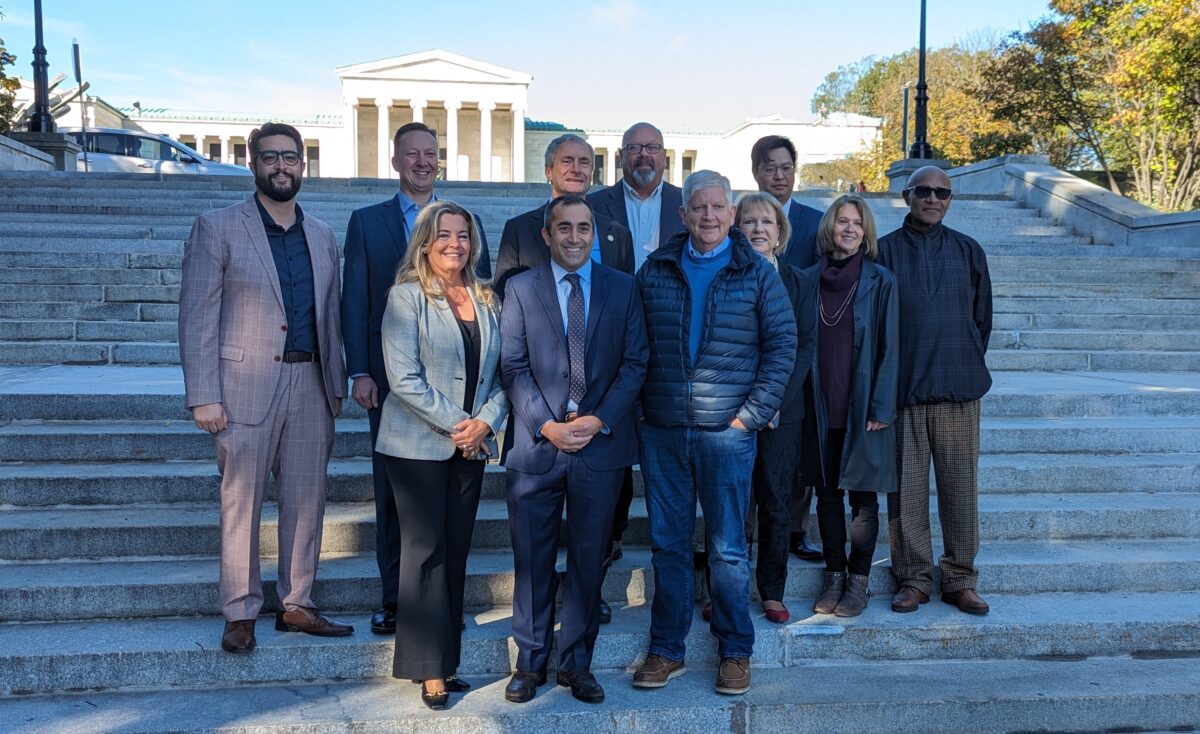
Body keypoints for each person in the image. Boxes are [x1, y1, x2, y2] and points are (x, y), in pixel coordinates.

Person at [178, 122, 351, 655]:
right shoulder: (218, 227)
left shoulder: (321, 234)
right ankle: (240, 611)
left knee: (307, 501)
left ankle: (297, 602)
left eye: (291, 158)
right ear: (254, 163)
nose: (282, 166)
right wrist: (203, 393)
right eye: (271, 157)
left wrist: (338, 382)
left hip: (311, 384)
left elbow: (332, 313)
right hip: (242, 387)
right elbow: (197, 314)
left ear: (303, 164)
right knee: (242, 503)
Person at [632, 170, 796, 696]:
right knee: (668, 545)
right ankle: (666, 649)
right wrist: (641, 409)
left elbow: (782, 347)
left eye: (717, 207)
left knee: (727, 549)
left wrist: (751, 415)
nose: (707, 216)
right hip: (663, 431)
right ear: (682, 215)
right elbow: (633, 346)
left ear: (731, 214)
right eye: (697, 207)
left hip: (727, 433)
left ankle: (735, 650)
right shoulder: (654, 269)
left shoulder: (757, 273)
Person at [341, 122, 492, 636]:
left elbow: (481, 297)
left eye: (431, 154)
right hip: (391, 382)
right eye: (413, 154)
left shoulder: (463, 224)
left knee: (448, 507)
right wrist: (359, 369)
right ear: (396, 160)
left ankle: (441, 603)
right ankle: (395, 599)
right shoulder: (368, 222)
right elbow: (354, 298)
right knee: (394, 497)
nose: (423, 162)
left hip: (459, 390)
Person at [499, 195, 648, 704]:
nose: (575, 236)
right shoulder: (519, 289)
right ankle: (530, 663)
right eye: (564, 227)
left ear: (593, 233)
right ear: (547, 234)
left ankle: (577, 663)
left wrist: (597, 419)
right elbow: (512, 367)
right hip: (536, 449)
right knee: (533, 561)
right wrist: (546, 425)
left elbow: (635, 364)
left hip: (599, 446)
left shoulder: (624, 289)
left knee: (588, 560)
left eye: (584, 227)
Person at [374, 200, 508, 709]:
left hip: (470, 445)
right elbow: (402, 378)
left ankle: (444, 662)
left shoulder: (486, 298)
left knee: (454, 555)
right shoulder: (406, 298)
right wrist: (461, 425)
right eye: (444, 235)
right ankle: (429, 669)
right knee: (425, 554)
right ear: (425, 242)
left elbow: (503, 375)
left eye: (463, 235)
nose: (455, 243)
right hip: (417, 447)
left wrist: (487, 422)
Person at [879, 166, 993, 617]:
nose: (933, 199)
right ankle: (913, 578)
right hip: (904, 394)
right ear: (907, 196)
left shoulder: (968, 251)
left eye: (942, 193)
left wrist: (961, 358)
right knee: (905, 493)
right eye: (923, 191)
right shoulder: (883, 252)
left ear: (949, 200)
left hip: (958, 392)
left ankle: (960, 578)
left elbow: (981, 321)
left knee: (960, 490)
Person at [805, 195, 899, 618]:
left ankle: (859, 581)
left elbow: (891, 348)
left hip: (862, 406)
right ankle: (834, 575)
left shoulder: (881, 281)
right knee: (826, 497)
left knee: (862, 499)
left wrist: (882, 405)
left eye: (856, 224)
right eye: (841, 221)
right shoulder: (808, 280)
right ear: (830, 227)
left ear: (866, 233)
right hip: (819, 404)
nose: (848, 229)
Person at [734, 192, 816, 625]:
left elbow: (803, 346)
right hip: (732, 409)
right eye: (750, 222)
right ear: (737, 228)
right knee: (732, 502)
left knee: (776, 501)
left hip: (783, 411)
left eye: (767, 222)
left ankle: (772, 591)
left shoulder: (800, 282)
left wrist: (774, 402)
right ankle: (728, 590)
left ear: (780, 232)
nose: (759, 229)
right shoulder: (725, 275)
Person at [750, 135, 826, 563]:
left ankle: (797, 529)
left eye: (785, 168)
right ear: (756, 172)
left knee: (797, 457)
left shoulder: (816, 223)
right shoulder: (746, 217)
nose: (779, 176)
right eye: (770, 168)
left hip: (803, 353)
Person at [495, 133, 633, 296]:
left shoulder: (618, 234)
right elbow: (503, 296)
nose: (576, 169)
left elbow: (626, 299)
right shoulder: (518, 230)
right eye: (567, 161)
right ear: (549, 171)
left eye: (584, 162)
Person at [587, 122, 686, 271]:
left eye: (653, 148)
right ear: (621, 156)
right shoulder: (593, 205)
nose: (644, 154)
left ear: (664, 156)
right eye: (634, 147)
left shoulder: (686, 204)